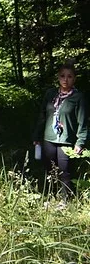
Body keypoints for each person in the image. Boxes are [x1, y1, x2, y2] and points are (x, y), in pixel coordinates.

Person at [33, 61, 87, 200]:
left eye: (69, 76)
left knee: (65, 172)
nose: (65, 79)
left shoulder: (78, 97)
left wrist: (80, 142)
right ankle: (51, 197)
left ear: (74, 79)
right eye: (62, 76)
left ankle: (65, 200)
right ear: (58, 77)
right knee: (50, 170)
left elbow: (83, 122)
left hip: (66, 140)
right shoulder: (50, 94)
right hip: (48, 138)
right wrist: (37, 135)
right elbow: (42, 115)